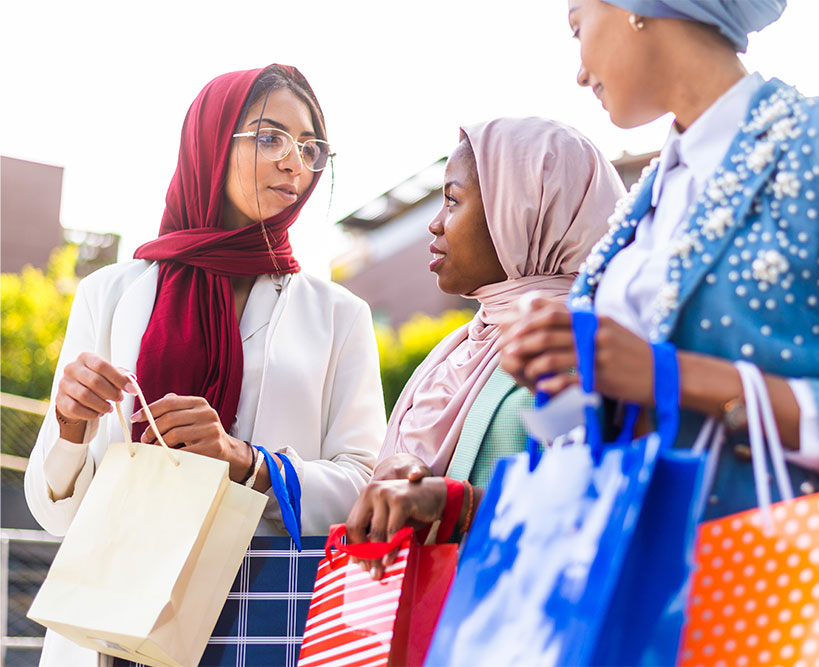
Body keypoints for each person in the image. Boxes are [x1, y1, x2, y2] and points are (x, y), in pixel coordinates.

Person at [501, 0, 819, 609]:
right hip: (650, 613)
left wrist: (673, 375)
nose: (578, 70)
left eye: (576, 27)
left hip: (808, 613)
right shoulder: (639, 209)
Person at [24, 64, 386, 665]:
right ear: (211, 143)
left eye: (311, 147)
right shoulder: (111, 293)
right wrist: (69, 427)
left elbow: (363, 485)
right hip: (106, 628)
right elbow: (55, 511)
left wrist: (248, 462)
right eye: (270, 137)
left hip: (258, 623)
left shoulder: (339, 315)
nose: (295, 162)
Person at [345, 117, 624, 574]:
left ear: (524, 211)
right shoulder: (458, 350)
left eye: (453, 201)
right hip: (436, 631)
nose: (435, 225)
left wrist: (460, 505)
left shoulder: (586, 344)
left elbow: (593, 499)